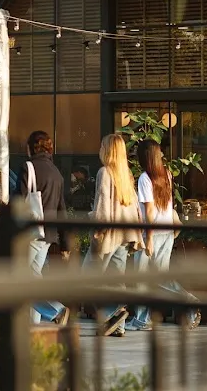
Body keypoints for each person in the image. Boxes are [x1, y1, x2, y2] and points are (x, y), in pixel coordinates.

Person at [126, 140, 201, 332]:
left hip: (150, 232)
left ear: (144, 156)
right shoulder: (166, 174)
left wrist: (149, 238)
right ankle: (182, 302)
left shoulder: (145, 178)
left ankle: (144, 319)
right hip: (166, 231)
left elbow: (149, 210)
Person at [85, 134, 145, 337]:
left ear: (108, 150)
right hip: (126, 234)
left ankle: (113, 312)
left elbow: (102, 206)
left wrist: (97, 231)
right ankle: (119, 326)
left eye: (102, 146)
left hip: (108, 235)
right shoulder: (125, 173)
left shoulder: (104, 172)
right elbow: (134, 206)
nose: (99, 149)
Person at [16, 130, 70, 326]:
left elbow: (18, 201)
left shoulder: (28, 168)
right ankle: (34, 325)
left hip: (31, 232)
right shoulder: (56, 173)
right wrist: (65, 244)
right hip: (48, 235)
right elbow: (61, 209)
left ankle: (55, 310)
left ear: (30, 148)